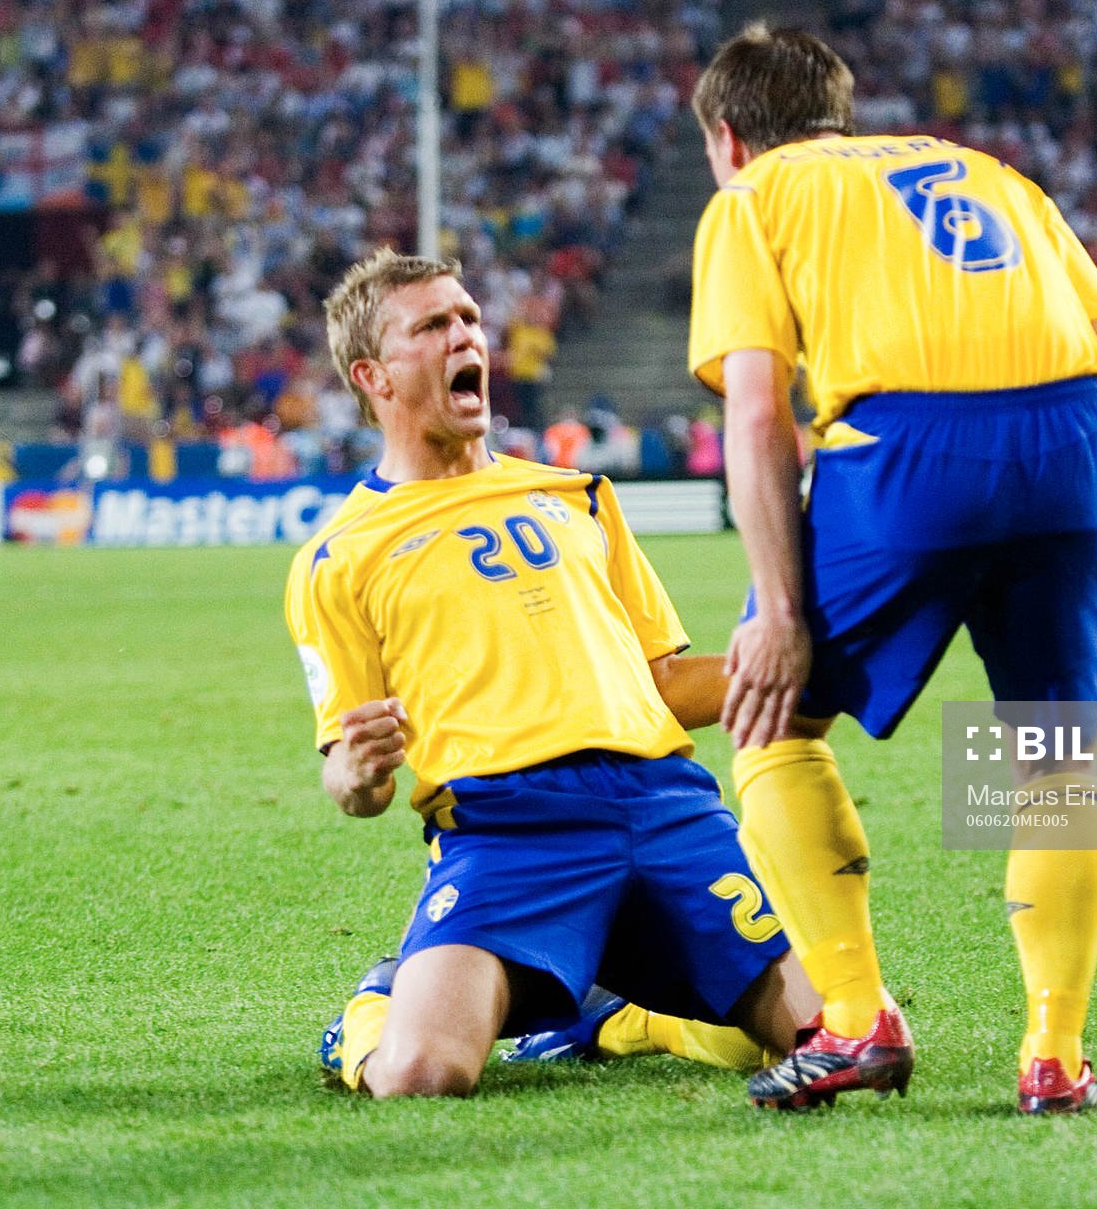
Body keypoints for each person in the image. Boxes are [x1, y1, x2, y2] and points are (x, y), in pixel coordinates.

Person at [686, 26, 1097, 1115]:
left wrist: (781, 614)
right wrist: (1088, 502)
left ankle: (853, 1020)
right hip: (1075, 443)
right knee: (1057, 765)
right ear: (840, 110)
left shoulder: (754, 199)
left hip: (908, 451)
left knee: (769, 719)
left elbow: (756, 411)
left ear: (728, 137)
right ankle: (1055, 1058)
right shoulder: (990, 175)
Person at [286, 247, 818, 1099]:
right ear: (374, 376)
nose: (466, 334)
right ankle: (375, 1010)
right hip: (509, 829)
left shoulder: (581, 497)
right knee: (421, 1075)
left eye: (466, 317)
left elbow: (663, 683)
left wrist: (802, 672)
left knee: (822, 1039)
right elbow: (354, 784)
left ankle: (620, 1015)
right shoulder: (338, 557)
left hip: (664, 808)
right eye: (432, 325)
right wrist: (353, 768)